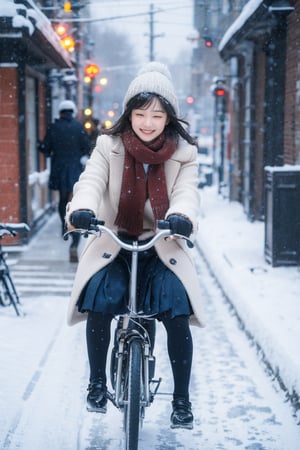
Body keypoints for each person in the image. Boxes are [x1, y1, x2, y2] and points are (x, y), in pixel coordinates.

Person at [65, 62, 205, 430]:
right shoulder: (109, 146)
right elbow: (91, 182)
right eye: (140, 113)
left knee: (176, 309)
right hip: (116, 240)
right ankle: (96, 382)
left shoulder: (184, 153)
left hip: (161, 243)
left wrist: (182, 216)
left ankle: (181, 400)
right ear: (129, 113)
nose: (147, 123)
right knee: (100, 299)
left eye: (156, 115)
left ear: (168, 118)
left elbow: (187, 193)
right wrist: (82, 209)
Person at [39, 100, 91, 262]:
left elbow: (46, 149)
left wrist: (39, 145)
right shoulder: (78, 127)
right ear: (72, 112)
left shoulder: (53, 127)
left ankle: (64, 224)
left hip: (59, 169)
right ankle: (74, 237)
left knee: (62, 201)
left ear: (61, 112)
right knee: (74, 201)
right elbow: (86, 147)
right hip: (74, 169)